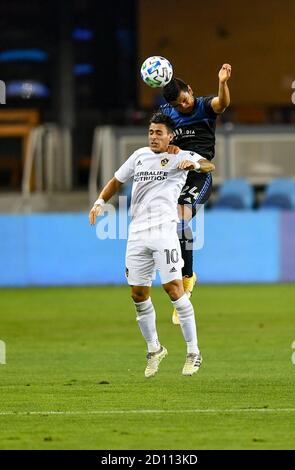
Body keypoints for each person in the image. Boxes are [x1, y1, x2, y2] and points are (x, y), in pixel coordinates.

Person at [89, 113, 215, 378]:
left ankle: (194, 352)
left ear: (171, 136)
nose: (154, 137)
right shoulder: (139, 156)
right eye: (151, 132)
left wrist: (192, 165)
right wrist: (100, 202)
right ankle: (154, 349)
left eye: (159, 133)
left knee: (173, 289)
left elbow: (208, 166)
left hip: (164, 232)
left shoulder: (181, 155)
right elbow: (116, 181)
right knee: (137, 294)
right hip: (136, 233)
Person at [160, 63, 231, 325]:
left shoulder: (203, 106)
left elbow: (222, 104)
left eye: (185, 100)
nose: (184, 106)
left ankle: (187, 279)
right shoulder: (166, 112)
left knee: (181, 219)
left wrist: (222, 83)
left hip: (199, 174)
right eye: (178, 105)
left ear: (190, 91)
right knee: (170, 228)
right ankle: (178, 285)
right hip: (172, 178)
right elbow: (156, 138)